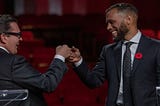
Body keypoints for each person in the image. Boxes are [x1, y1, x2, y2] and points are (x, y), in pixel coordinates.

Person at [68, 3, 160, 106]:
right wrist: (78, 61)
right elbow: (93, 81)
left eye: (111, 22)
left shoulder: (156, 48)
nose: (108, 27)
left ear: (128, 20)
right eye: (107, 23)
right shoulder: (108, 51)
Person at [0, 14, 71, 106]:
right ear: (4, 37)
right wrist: (60, 57)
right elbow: (47, 84)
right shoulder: (13, 62)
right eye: (18, 35)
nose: (21, 39)